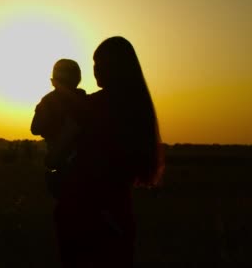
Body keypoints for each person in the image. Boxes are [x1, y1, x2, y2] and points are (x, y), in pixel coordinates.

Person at [54, 36, 165, 267]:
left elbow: (57, 152)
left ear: (114, 66)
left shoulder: (92, 106)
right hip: (119, 215)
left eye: (99, 63)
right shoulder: (138, 107)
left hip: (86, 217)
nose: (94, 69)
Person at [30, 59, 86, 198]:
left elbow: (35, 128)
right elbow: (35, 128)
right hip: (63, 162)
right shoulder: (51, 101)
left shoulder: (80, 99)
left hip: (74, 163)